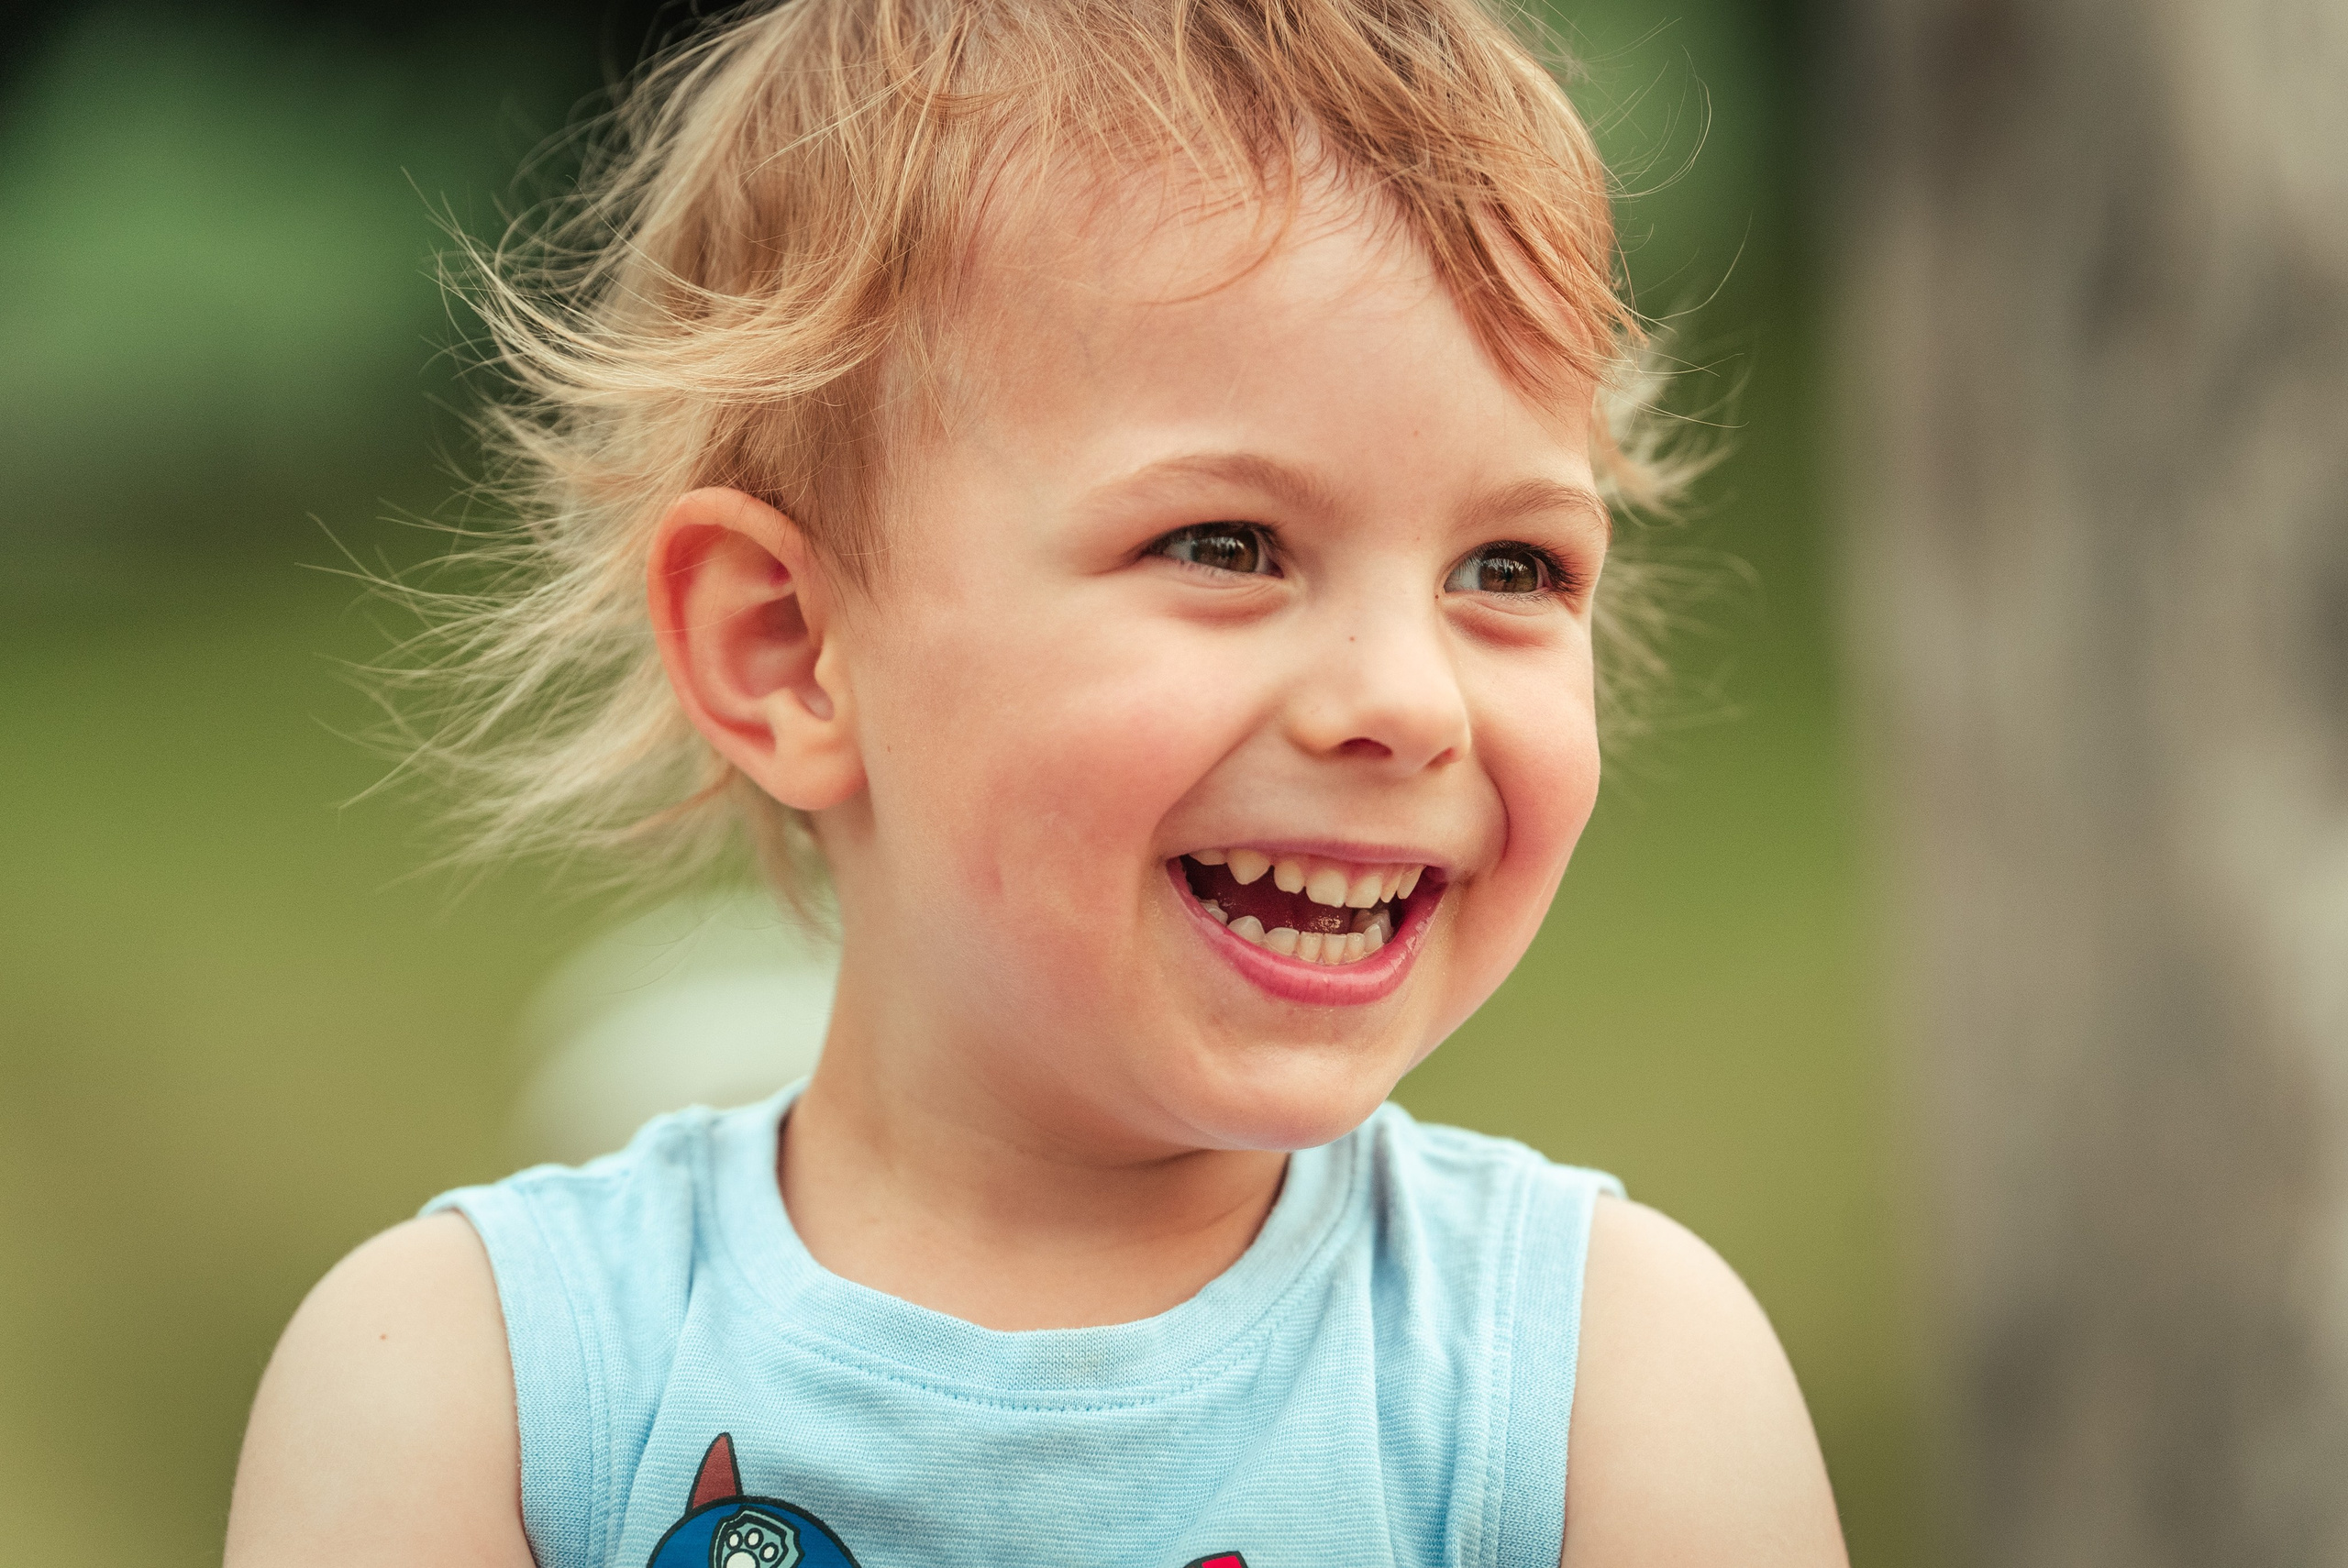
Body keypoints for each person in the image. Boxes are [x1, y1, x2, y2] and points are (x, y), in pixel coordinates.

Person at [224, 2, 1848, 1563]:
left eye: (1510, 563)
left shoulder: (1602, 1393)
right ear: (789, 647)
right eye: (1226, 544)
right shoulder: (477, 1394)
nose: (1408, 702)